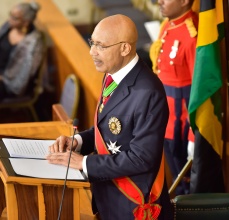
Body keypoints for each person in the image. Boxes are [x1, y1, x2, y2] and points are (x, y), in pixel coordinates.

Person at [46, 14, 171, 220]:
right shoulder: (113, 73)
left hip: (131, 203)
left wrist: (84, 163)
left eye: (101, 46)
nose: (92, 52)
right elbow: (111, 130)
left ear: (124, 48)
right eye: (92, 42)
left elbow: (142, 158)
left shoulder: (148, 92)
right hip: (108, 196)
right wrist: (77, 142)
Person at [149, 0, 198, 195]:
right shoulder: (168, 25)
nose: (159, 1)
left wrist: (194, 135)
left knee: (186, 186)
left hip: (182, 126)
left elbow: (198, 89)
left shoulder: (192, 34)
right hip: (165, 119)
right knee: (175, 180)